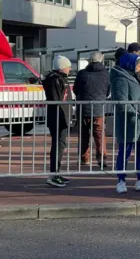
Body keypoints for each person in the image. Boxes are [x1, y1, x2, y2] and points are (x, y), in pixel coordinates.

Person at [111, 53, 140, 194]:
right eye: (138, 65)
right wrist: (134, 113)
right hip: (129, 123)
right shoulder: (120, 78)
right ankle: (121, 180)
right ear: (130, 64)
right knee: (124, 153)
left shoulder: (139, 77)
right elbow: (121, 100)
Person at [73, 51, 110, 168]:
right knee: (99, 135)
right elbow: (108, 92)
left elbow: (75, 89)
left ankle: (85, 158)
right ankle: (102, 159)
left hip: (83, 108)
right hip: (99, 109)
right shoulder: (106, 74)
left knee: (84, 135)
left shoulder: (82, 73)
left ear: (90, 60)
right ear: (101, 60)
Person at [44, 55, 74, 188]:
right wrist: (62, 118)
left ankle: (56, 172)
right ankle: (53, 174)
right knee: (58, 145)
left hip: (62, 117)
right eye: (68, 66)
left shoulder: (60, 79)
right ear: (62, 67)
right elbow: (56, 101)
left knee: (60, 145)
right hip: (58, 118)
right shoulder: (55, 80)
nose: (70, 69)